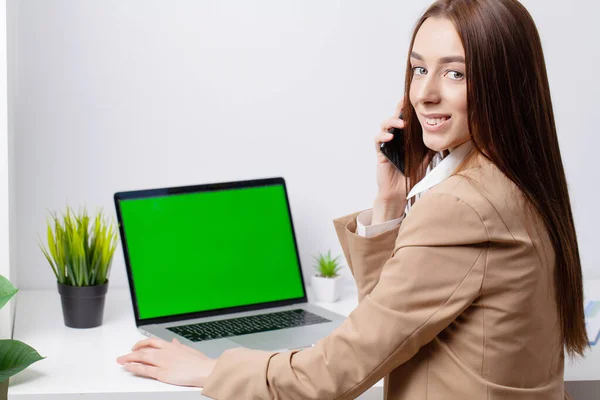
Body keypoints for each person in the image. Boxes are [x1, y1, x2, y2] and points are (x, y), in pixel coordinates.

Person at [116, 0, 588, 398]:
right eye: (419, 69)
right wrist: (390, 204)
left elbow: (339, 369)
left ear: (503, 84)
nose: (424, 93)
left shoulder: (462, 205)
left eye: (456, 74)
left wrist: (210, 371)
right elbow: (391, 325)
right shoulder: (516, 180)